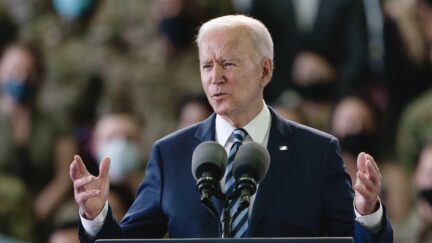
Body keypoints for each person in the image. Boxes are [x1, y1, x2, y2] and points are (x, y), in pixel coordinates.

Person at [70, 15, 392, 242]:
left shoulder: (317, 152)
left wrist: (367, 214)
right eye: (207, 66)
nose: (215, 77)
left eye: (228, 63)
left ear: (265, 70)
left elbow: (355, 241)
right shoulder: (171, 154)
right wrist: (97, 217)